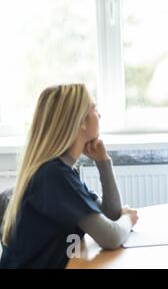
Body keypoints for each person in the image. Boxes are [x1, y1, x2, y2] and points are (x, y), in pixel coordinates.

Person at [0, 84, 138, 268]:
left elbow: (111, 215)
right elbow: (111, 237)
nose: (100, 115)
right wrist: (128, 218)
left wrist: (103, 162)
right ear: (80, 121)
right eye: (94, 109)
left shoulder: (60, 172)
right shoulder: (53, 176)